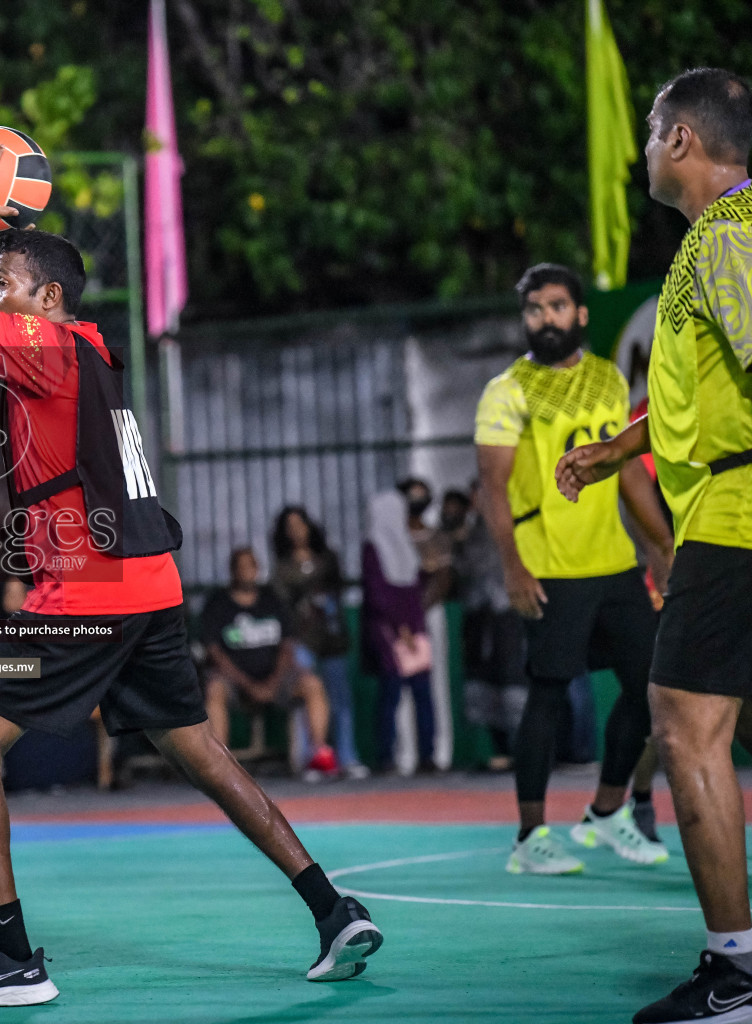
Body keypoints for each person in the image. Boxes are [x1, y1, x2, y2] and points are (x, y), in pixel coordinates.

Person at [0, 142, 381, 1009]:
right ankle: (332, 907)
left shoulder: (44, 347)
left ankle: (12, 960)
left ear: (46, 298)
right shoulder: (77, 348)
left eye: (3, 283)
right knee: (200, 752)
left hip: (83, 594)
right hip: (150, 586)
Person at [557, 68, 752, 1024]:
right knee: (720, 721)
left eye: (649, 131)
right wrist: (616, 449)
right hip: (723, 494)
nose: (643, 148)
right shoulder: (706, 246)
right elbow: (702, 385)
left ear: (680, 140)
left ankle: (738, 973)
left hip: (740, 505)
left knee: (682, 716)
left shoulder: (731, 235)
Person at [476, 262, 675, 876]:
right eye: (535, 310)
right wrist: (511, 566)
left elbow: (627, 471)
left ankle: (608, 809)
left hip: (613, 560)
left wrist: (661, 548)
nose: (546, 319)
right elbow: (492, 486)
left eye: (557, 306)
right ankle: (530, 836)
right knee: (549, 693)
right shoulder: (506, 390)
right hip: (549, 564)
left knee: (653, 682)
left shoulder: (609, 380)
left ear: (581, 314)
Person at [201, 547, 338, 780]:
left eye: (251, 566)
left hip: (275, 678)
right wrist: (248, 685)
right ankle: (220, 765)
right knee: (214, 689)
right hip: (235, 681)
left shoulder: (271, 600)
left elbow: (287, 645)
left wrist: (273, 682)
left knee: (312, 683)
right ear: (233, 571)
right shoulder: (218, 603)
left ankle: (319, 753)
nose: (247, 572)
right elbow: (215, 653)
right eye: (241, 567)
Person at [270, 507, 367, 778]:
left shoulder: (328, 558)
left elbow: (334, 591)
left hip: (332, 636)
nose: (296, 531)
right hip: (302, 637)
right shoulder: (282, 566)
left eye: (300, 525)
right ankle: (310, 757)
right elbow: (282, 600)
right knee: (306, 694)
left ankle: (347, 757)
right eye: (289, 527)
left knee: (340, 697)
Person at [361, 489, 436, 774]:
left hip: (408, 633)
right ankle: (386, 756)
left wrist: (412, 629)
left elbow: (414, 591)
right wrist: (405, 628)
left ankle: (426, 755)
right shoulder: (374, 547)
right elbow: (379, 594)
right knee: (391, 695)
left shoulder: (405, 544)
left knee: (419, 695)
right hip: (390, 635)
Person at [456, 483, 527, 772]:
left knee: (514, 683)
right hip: (479, 618)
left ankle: (523, 751)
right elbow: (462, 571)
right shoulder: (470, 534)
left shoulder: (514, 529)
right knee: (483, 686)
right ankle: (500, 752)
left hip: (508, 614)